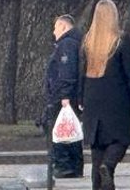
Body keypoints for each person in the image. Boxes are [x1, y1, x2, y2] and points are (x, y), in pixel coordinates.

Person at [77, 0, 130, 190]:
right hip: (117, 100)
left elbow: (80, 72)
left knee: (96, 151)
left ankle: (99, 184)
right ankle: (109, 165)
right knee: (120, 140)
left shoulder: (87, 42)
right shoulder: (121, 41)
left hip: (92, 100)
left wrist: (80, 98)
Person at [45, 13, 84, 179]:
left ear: (63, 26)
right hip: (68, 95)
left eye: (55, 28)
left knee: (61, 130)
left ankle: (64, 165)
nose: (54, 32)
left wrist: (64, 94)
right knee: (71, 130)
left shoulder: (66, 45)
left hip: (64, 97)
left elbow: (67, 70)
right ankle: (73, 165)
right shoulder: (75, 42)